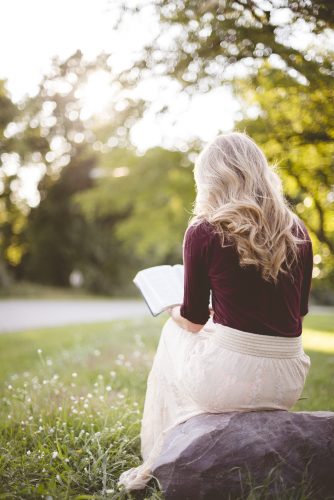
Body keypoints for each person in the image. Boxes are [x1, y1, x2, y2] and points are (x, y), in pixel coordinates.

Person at [117, 131, 313, 492]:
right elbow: (296, 314)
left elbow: (192, 322)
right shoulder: (297, 231)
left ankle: (159, 457)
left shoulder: (204, 230)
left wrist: (173, 308)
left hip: (230, 377)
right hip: (288, 378)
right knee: (212, 336)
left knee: (173, 331)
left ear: (210, 180)